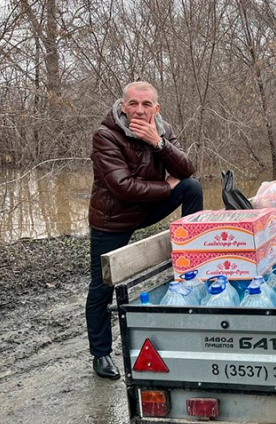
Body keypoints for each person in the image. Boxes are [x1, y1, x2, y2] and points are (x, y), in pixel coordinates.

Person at [86, 81, 203, 379]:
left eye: (146, 104)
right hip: (113, 218)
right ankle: (100, 354)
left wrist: (159, 143)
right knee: (102, 287)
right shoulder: (105, 136)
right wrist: (166, 186)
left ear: (156, 108)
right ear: (123, 106)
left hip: (147, 207)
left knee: (191, 188)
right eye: (133, 104)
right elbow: (122, 187)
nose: (139, 110)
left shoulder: (161, 129)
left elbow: (186, 170)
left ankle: (192, 259)